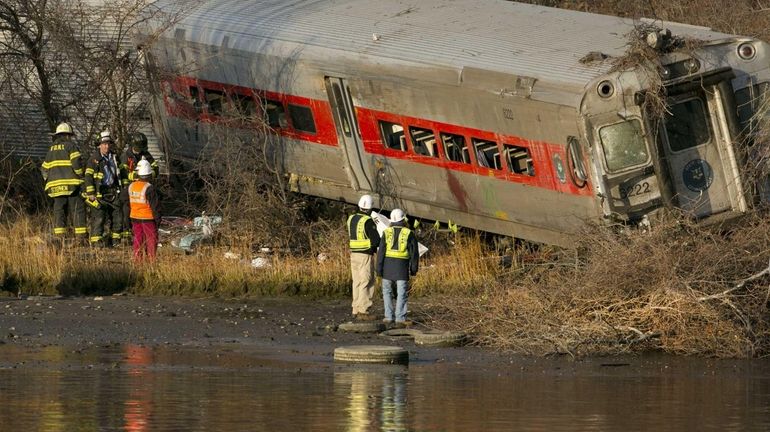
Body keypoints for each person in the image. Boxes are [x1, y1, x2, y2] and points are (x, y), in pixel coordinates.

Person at [41, 122, 87, 244]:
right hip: (72, 186)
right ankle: (80, 239)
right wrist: (81, 175)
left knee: (59, 212)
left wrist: (50, 181)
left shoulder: (50, 150)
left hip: (55, 188)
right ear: (67, 135)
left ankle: (59, 238)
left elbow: (44, 169)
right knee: (78, 210)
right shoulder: (71, 146)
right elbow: (77, 164)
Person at [376, 208, 419, 327]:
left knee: (387, 292)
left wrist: (378, 269)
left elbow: (381, 253)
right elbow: (414, 254)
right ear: (403, 219)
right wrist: (413, 269)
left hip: (387, 268)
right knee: (402, 293)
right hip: (401, 268)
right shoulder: (409, 233)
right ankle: (400, 318)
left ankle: (388, 317)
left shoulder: (386, 232)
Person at [84, 131, 125, 247]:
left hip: (113, 191)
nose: (106, 146)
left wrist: (123, 188)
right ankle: (96, 242)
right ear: (99, 145)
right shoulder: (93, 159)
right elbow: (88, 176)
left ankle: (114, 241)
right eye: (104, 144)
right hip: (99, 193)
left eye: (108, 144)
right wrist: (91, 193)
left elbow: (121, 173)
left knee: (118, 217)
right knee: (99, 217)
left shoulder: (115, 157)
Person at [120, 132, 159, 243]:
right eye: (139, 148)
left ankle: (141, 231)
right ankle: (126, 233)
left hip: (144, 188)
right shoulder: (126, 156)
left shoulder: (146, 154)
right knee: (127, 210)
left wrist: (149, 175)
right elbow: (123, 172)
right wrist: (137, 176)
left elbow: (155, 168)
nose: (140, 150)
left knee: (146, 209)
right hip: (129, 188)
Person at [347, 194, 380, 321]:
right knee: (367, 280)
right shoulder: (368, 221)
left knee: (357, 281)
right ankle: (363, 310)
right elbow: (376, 240)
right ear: (370, 208)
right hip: (365, 254)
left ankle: (355, 308)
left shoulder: (351, 219)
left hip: (353, 254)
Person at [128, 159, 161, 262]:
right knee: (151, 240)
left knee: (138, 239)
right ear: (149, 174)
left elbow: (125, 203)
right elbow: (155, 207)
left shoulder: (131, 186)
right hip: (148, 218)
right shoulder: (149, 188)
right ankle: (151, 261)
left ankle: (138, 260)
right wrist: (158, 220)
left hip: (134, 218)